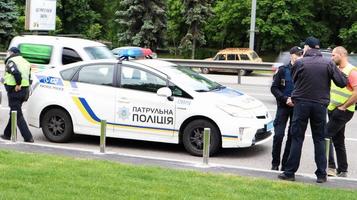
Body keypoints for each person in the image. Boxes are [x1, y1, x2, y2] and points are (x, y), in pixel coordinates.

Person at [278, 37, 347, 183]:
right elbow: (341, 82)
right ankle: (322, 175)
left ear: (307, 48)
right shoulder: (328, 63)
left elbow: (295, 80)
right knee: (319, 140)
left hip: (301, 104)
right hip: (320, 106)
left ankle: (290, 172)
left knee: (297, 138)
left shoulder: (300, 62)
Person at [326, 46, 357, 177]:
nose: (331, 58)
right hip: (333, 109)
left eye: (333, 55)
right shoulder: (337, 69)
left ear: (341, 55)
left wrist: (344, 106)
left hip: (343, 111)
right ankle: (343, 170)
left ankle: (330, 167)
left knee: (324, 135)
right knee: (338, 140)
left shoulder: (352, 71)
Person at [270, 46, 303, 171]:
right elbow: (274, 88)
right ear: (291, 55)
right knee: (278, 136)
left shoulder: (303, 70)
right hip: (283, 107)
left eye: (301, 54)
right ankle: (275, 163)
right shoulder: (283, 70)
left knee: (291, 137)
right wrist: (285, 99)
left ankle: (285, 165)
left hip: (296, 107)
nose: (299, 56)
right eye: (297, 54)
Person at [0, 47, 34, 143]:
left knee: (17, 114)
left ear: (13, 53)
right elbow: (29, 77)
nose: (7, 54)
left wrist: (18, 84)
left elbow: (16, 73)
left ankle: (28, 137)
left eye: (8, 52)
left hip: (15, 90)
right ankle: (7, 134)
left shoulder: (11, 61)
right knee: (14, 112)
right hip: (24, 91)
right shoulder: (26, 62)